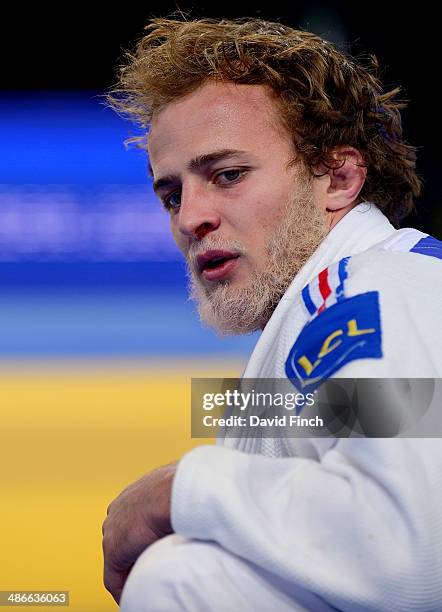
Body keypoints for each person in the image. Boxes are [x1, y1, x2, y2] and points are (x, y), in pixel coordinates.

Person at [101, 17, 442, 611]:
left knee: (177, 577)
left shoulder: (375, 291)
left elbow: (405, 553)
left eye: (228, 175)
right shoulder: (343, 300)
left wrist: (177, 490)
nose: (190, 219)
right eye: (172, 194)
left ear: (338, 178)